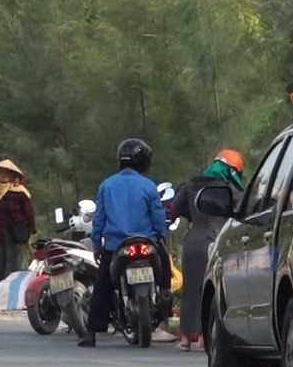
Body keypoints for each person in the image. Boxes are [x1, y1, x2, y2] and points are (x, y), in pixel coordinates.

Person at [80, 138, 169, 347]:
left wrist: (97, 243)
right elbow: (158, 215)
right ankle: (164, 317)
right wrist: (161, 235)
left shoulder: (107, 185)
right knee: (165, 273)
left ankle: (91, 333)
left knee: (103, 285)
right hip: (147, 242)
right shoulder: (148, 185)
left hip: (116, 245)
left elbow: (99, 218)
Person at [173, 150, 244, 351]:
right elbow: (242, 213)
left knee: (190, 290)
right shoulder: (231, 189)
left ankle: (185, 338)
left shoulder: (190, 186)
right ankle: (205, 337)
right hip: (217, 242)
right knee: (211, 291)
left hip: (192, 243)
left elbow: (175, 209)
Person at [0, 159, 36, 282]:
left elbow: (29, 211)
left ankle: (17, 292)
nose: (3, 175)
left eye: (7, 172)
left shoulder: (20, 192)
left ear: (13, 175)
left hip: (17, 234)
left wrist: (32, 228)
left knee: (17, 265)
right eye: (0, 172)